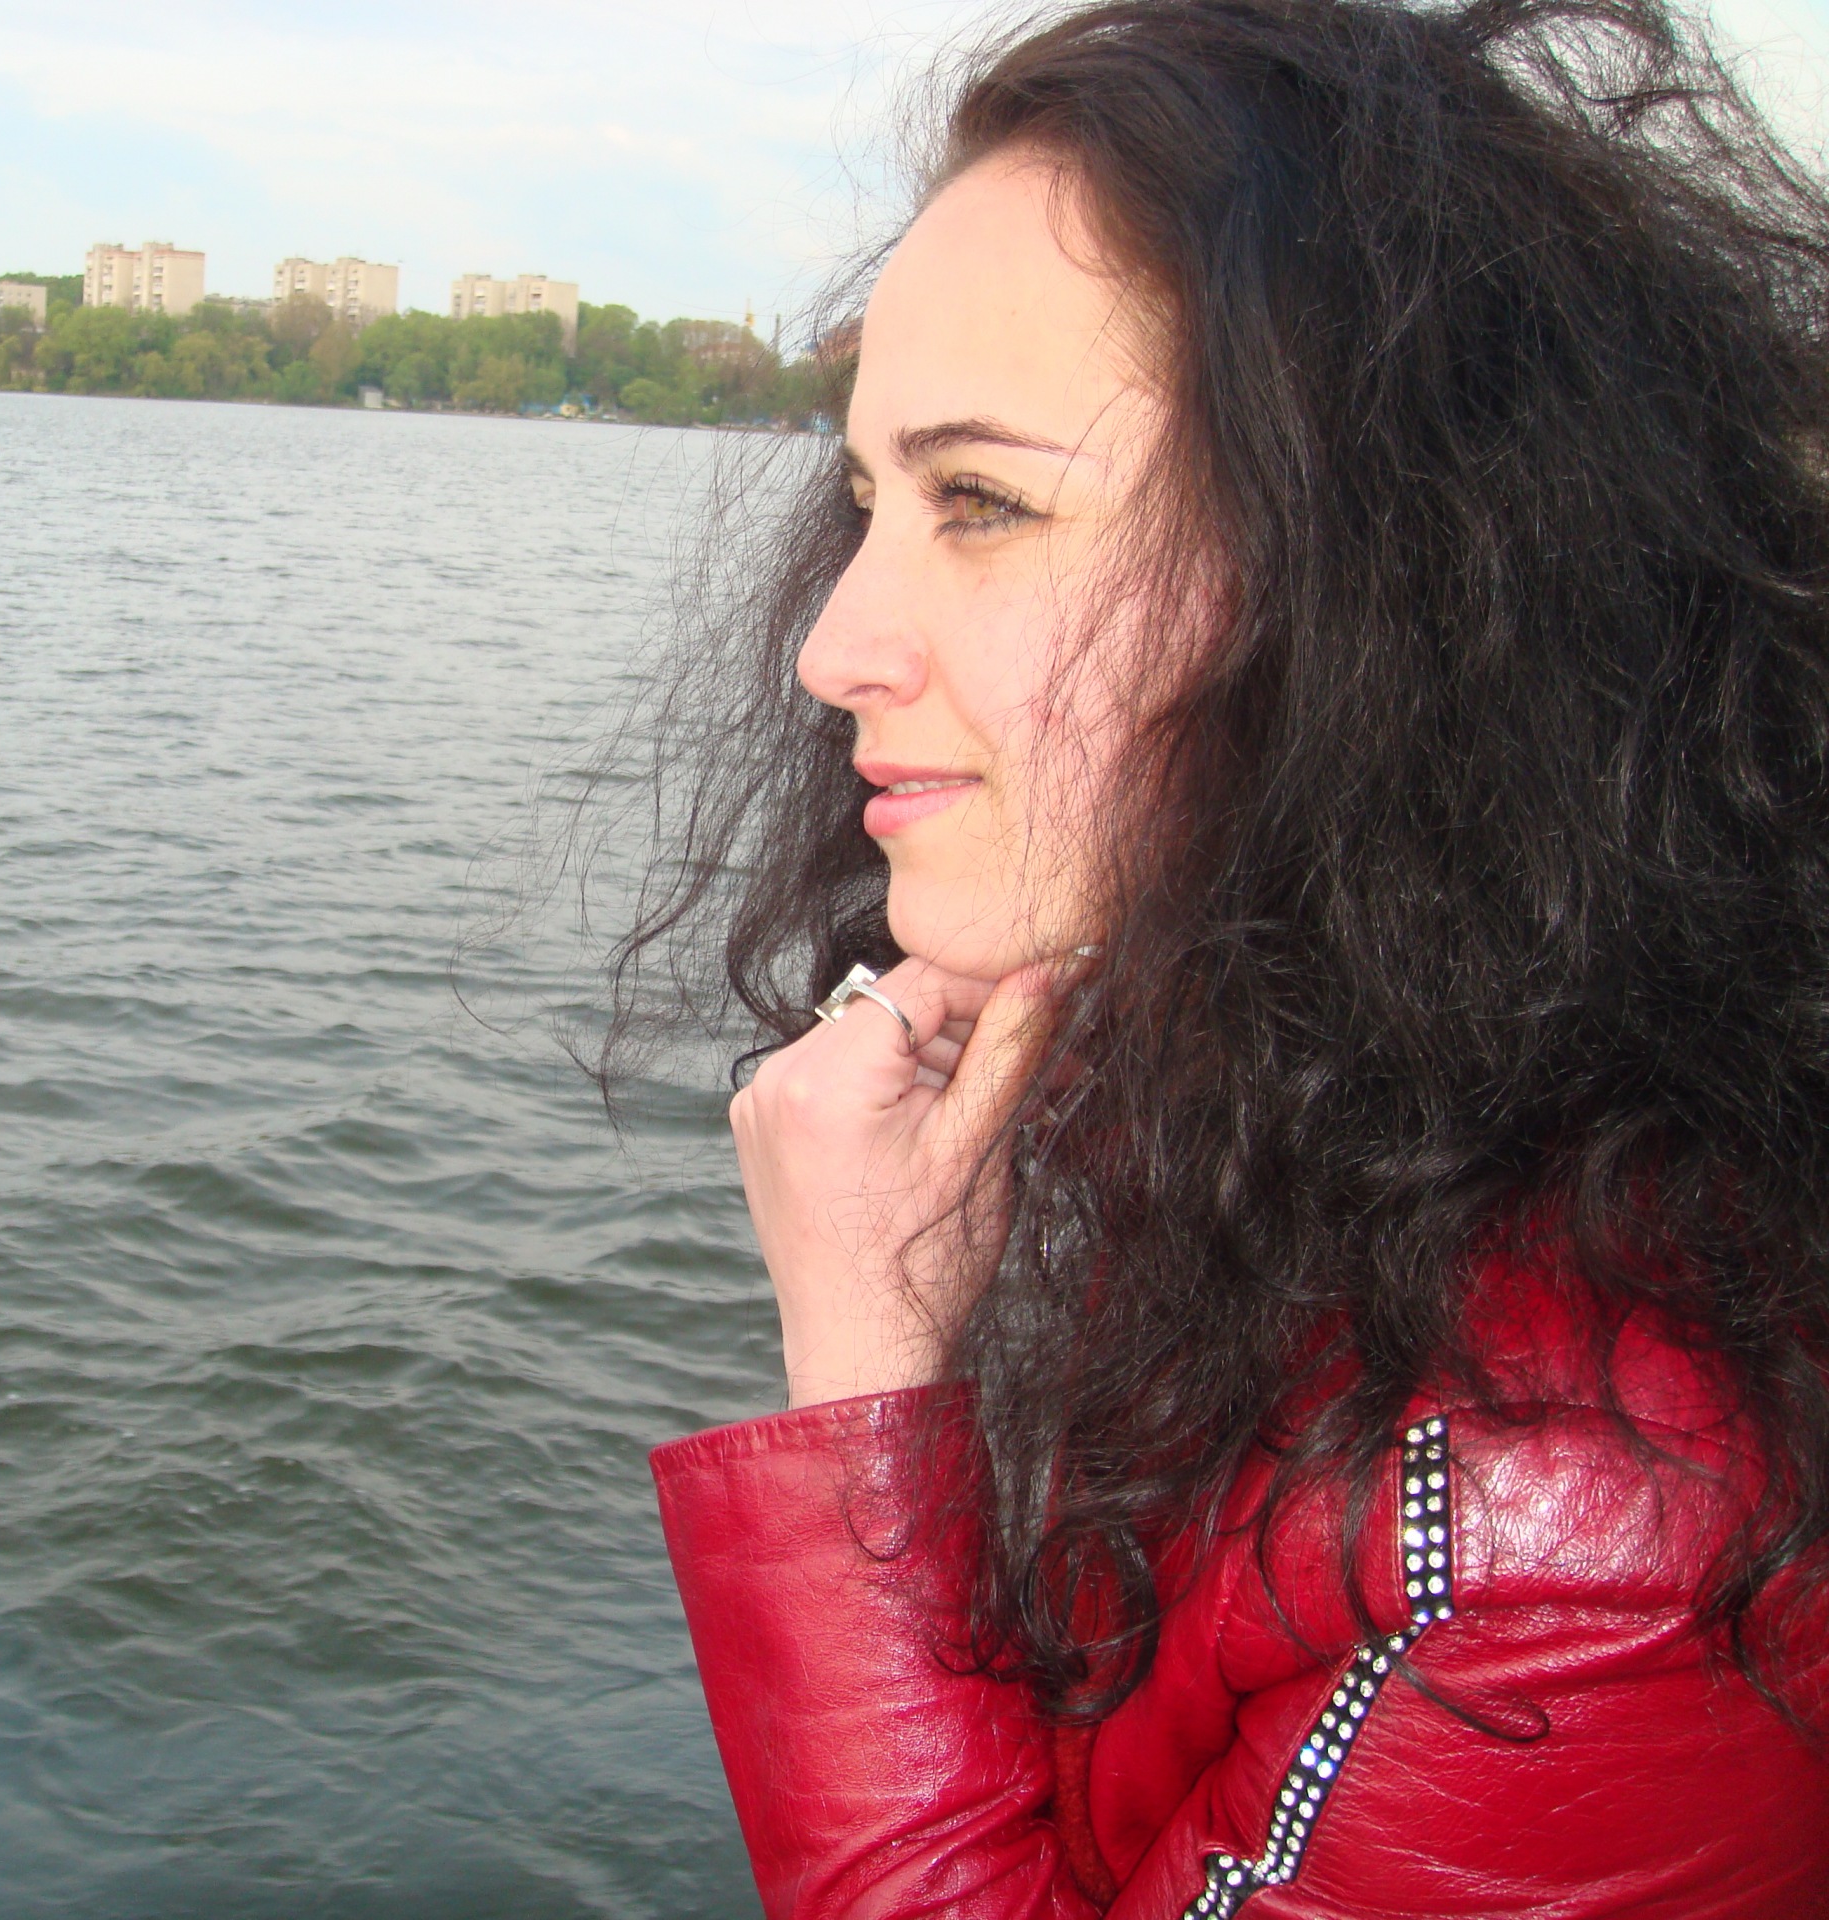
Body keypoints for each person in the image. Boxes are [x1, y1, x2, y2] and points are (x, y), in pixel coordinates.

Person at [614, 0, 1829, 1911]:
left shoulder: (1569, 1540)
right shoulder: (1340, 1125)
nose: (831, 645)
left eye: (983, 501)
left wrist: (863, 1372)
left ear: (1376, 574)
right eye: (866, 501)